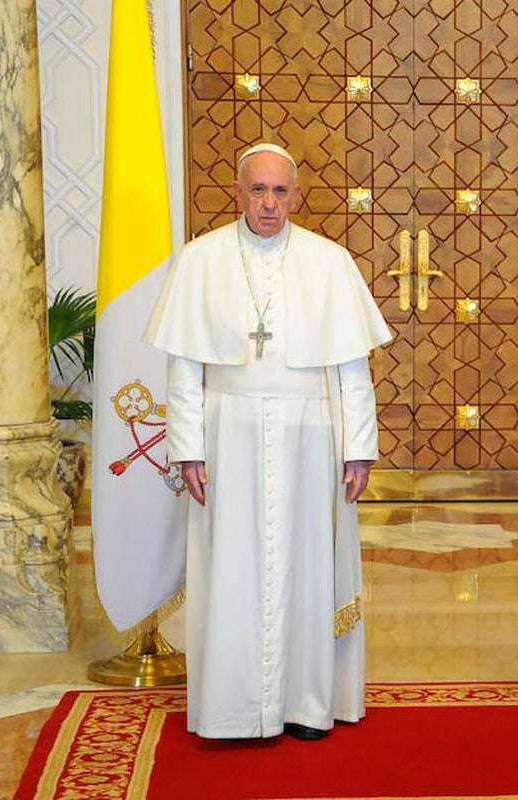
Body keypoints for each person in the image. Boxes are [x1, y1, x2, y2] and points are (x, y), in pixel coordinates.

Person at [144, 143, 392, 741]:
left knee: (308, 564)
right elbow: (184, 369)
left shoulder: (329, 263)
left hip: (312, 434)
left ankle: (307, 703)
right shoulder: (201, 260)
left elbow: (351, 369)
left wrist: (358, 447)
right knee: (231, 564)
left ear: (296, 196)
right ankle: (231, 709)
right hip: (226, 432)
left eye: (281, 192)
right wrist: (188, 449)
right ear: (237, 191)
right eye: (258, 190)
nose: (270, 204)